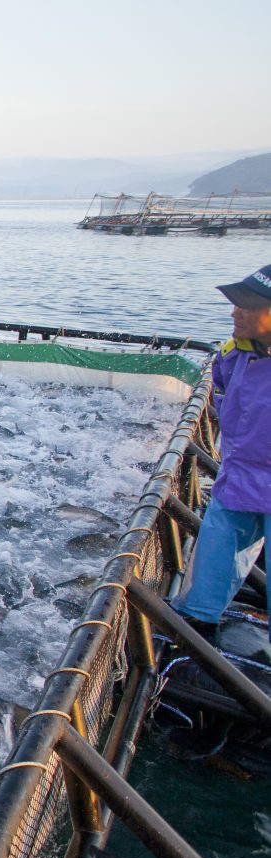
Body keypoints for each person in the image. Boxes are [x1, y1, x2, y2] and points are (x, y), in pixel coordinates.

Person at [173, 264, 271, 654]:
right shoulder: (232, 356)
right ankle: (193, 636)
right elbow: (221, 396)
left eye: (247, 305)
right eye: (235, 304)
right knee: (208, 576)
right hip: (239, 479)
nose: (235, 312)